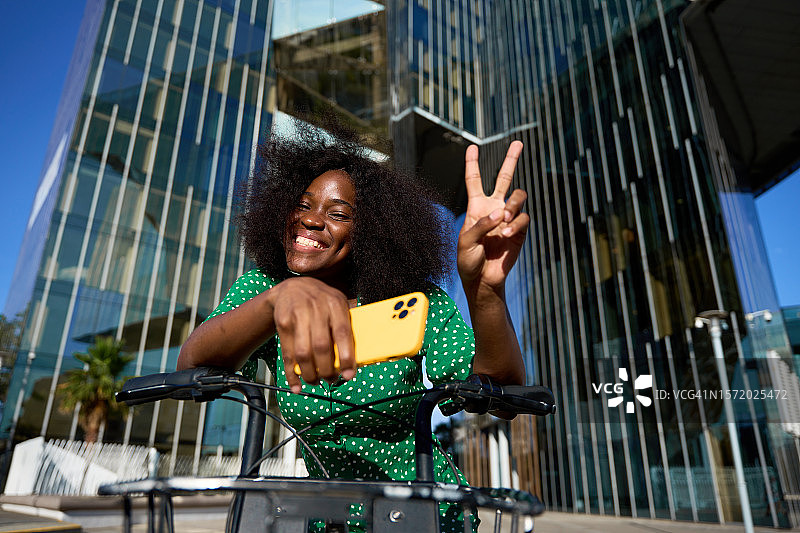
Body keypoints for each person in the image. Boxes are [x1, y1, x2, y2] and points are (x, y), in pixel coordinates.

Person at [176, 120, 529, 530]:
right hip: (326, 517)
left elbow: (503, 397)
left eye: (338, 213)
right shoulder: (264, 290)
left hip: (421, 516)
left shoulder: (415, 303)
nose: (310, 220)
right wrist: (275, 303)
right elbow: (191, 364)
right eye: (303, 204)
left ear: (372, 232)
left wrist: (484, 292)